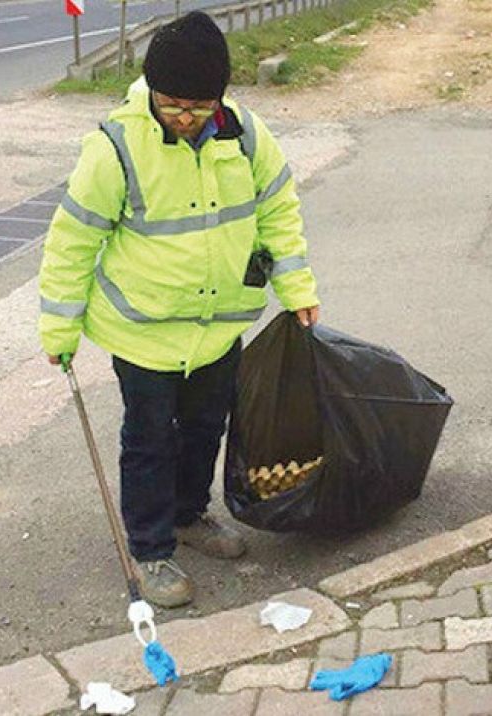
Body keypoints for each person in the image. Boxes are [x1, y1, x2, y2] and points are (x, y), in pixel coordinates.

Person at [38, 11, 320, 607]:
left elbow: (279, 214)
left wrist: (298, 290)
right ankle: (150, 548)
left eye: (199, 107)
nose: (186, 119)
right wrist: (59, 324)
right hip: (142, 332)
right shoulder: (114, 148)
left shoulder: (244, 135)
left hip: (219, 327)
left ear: (220, 98)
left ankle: (190, 516)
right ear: (153, 94)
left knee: (204, 429)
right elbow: (73, 239)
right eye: (172, 106)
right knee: (149, 441)